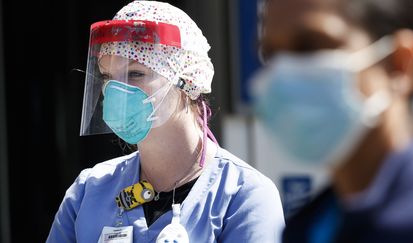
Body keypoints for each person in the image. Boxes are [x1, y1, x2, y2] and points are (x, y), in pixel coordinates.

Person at [47, 1, 285, 242]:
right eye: (108, 77)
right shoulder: (89, 191)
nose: (115, 92)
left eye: (136, 74)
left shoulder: (244, 196)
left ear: (187, 82)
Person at [253, 0, 413, 242]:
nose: (285, 73)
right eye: (271, 54)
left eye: (310, 47)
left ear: (400, 64)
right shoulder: (308, 227)